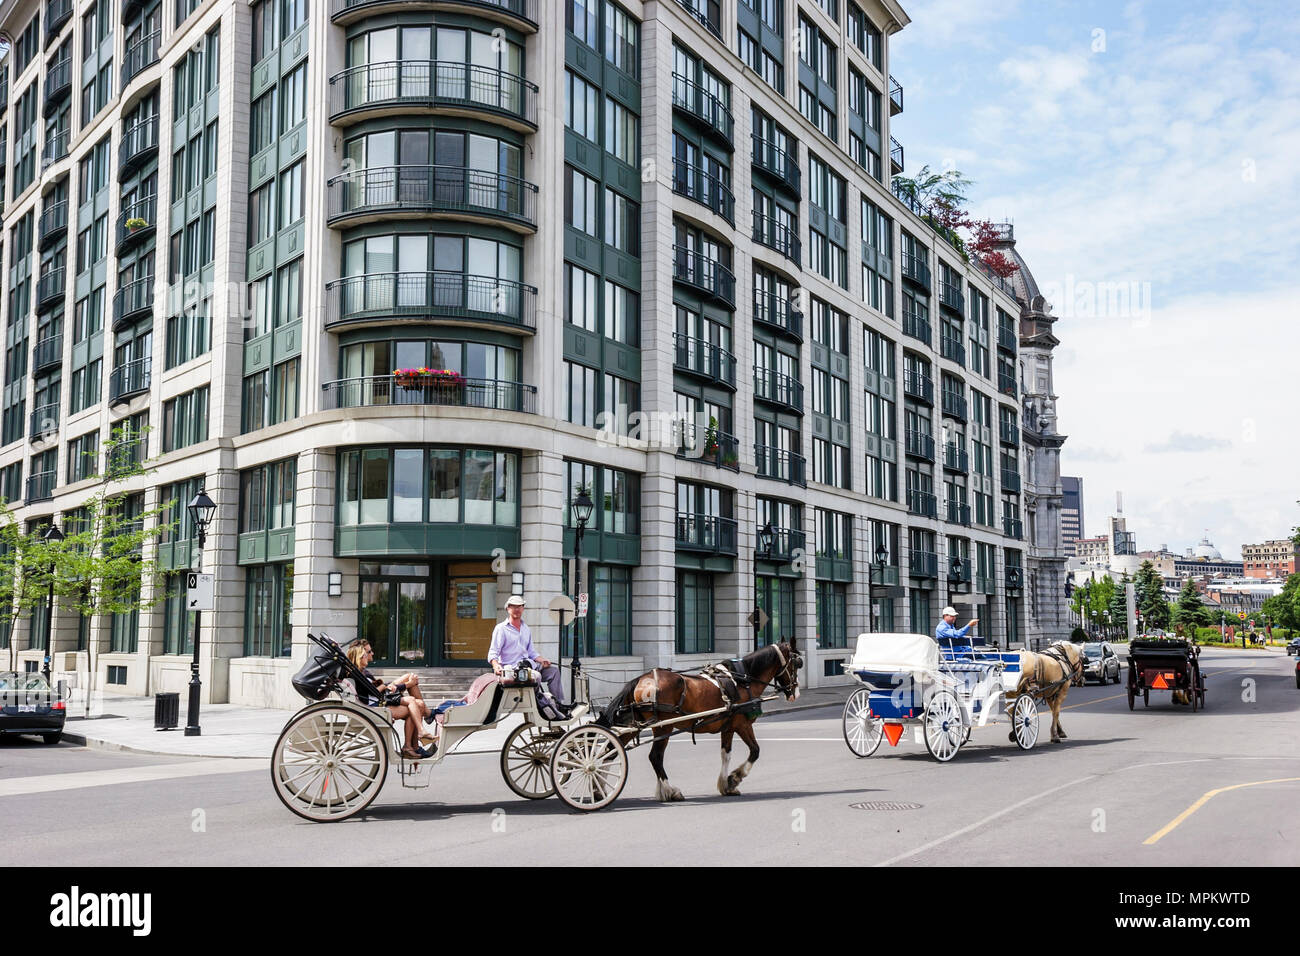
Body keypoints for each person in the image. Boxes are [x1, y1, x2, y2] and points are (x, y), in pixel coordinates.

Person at [346, 640, 436, 759]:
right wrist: (387, 686)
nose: (371, 654)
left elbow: (372, 690)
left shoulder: (360, 672)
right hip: (377, 706)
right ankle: (414, 740)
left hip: (378, 700)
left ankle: (413, 744)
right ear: (360, 656)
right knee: (417, 704)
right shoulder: (358, 674)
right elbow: (374, 692)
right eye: (367, 653)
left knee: (415, 698)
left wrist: (388, 686)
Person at [489, 595, 567, 715]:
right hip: (513, 671)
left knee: (553, 671)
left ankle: (557, 705)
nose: (517, 609)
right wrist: (496, 665)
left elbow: (531, 652)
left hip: (528, 666)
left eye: (519, 606)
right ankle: (541, 705)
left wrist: (542, 660)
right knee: (536, 676)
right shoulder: (501, 629)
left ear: (523, 608)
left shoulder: (525, 628)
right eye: (513, 606)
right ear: (508, 608)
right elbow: (493, 652)